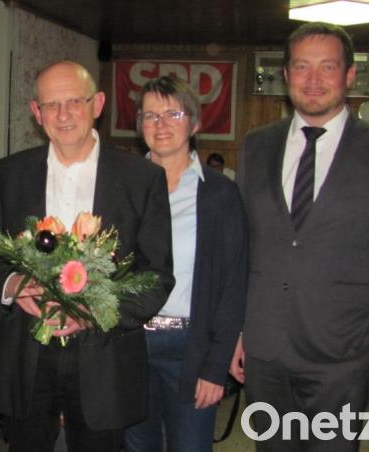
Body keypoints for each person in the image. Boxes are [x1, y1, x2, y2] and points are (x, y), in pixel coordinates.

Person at [230, 22, 369, 451]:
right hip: (264, 351)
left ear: (350, 75)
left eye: (328, 66)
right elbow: (239, 248)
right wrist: (236, 332)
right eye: (302, 66)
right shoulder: (256, 145)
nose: (314, 79)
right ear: (286, 74)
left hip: (344, 356)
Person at [0, 61, 174, 452]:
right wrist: (14, 285)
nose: (63, 115)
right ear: (37, 112)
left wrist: (92, 313)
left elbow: (157, 277)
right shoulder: (9, 173)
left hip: (104, 361)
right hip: (25, 359)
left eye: (74, 102)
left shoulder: (141, 178)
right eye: (51, 105)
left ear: (97, 104)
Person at [123, 77, 248, 452]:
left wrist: (215, 366)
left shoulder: (220, 194)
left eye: (172, 114)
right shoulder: (122, 188)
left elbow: (233, 284)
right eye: (150, 115)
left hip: (191, 347)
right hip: (131, 344)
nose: (160, 124)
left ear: (194, 123)